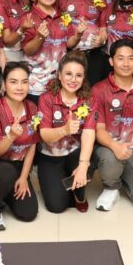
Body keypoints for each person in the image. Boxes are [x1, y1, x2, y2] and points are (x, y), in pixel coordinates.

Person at [91, 39, 133, 211]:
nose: (126, 64)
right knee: (110, 159)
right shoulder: (99, 90)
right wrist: (115, 146)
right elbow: (98, 129)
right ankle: (111, 187)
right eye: (120, 58)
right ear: (111, 61)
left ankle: (122, 178)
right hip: (107, 147)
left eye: (131, 58)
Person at [36, 52, 97, 213]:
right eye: (68, 74)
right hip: (51, 155)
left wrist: (83, 165)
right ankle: (65, 185)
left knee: (89, 157)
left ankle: (78, 193)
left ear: (83, 78)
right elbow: (45, 135)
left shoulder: (90, 100)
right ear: (60, 75)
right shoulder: (46, 99)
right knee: (56, 206)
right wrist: (65, 129)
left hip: (75, 154)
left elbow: (89, 133)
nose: (73, 79)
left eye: (79, 75)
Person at [0, 62, 40, 229]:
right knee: (5, 172)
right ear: (4, 84)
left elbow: (32, 145)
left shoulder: (32, 107)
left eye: (24, 82)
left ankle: (7, 192)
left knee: (28, 213)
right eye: (13, 82)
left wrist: (23, 177)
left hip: (19, 166)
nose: (20, 87)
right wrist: (10, 136)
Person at [22, 0, 82, 101]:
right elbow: (27, 50)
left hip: (60, 84)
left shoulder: (63, 16)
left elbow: (68, 44)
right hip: (35, 86)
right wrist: (39, 37)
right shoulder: (28, 17)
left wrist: (78, 35)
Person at [59, 0, 109, 86]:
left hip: (94, 56)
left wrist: (102, 40)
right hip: (68, 55)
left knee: (95, 93)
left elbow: (103, 29)